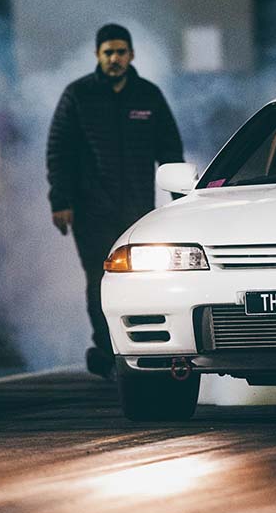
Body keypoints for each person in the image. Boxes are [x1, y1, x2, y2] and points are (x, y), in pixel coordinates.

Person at [46, 23, 184, 379]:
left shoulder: (148, 96)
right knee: (100, 279)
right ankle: (108, 352)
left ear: (132, 55)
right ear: (97, 55)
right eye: (108, 52)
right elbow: (58, 151)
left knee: (144, 281)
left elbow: (170, 150)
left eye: (121, 52)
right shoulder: (78, 96)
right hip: (90, 212)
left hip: (138, 212)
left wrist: (180, 201)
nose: (114, 59)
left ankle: (143, 348)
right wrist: (60, 200)